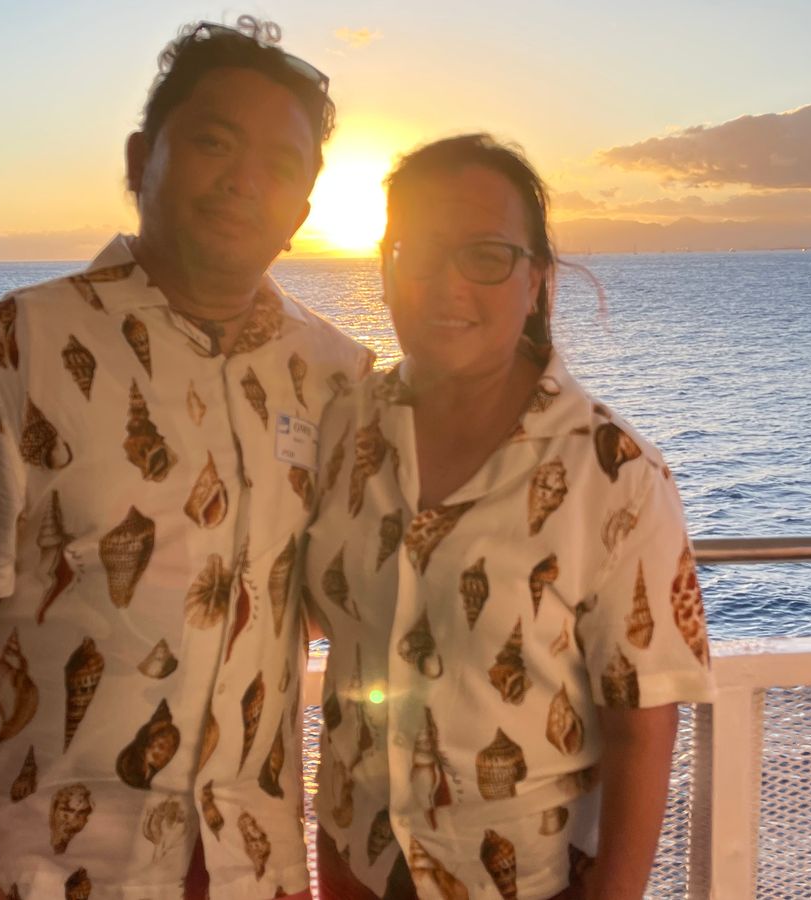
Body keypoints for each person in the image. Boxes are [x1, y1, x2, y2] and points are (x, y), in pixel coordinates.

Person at [0, 17, 372, 899]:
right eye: (214, 142)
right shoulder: (7, 349)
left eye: (280, 165)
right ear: (142, 159)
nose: (243, 180)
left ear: (302, 214)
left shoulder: (339, 378)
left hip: (258, 874)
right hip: (40, 873)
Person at [303, 134, 713, 900]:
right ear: (385, 271)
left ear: (536, 281)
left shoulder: (615, 474)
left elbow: (642, 726)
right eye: (418, 252)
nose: (447, 283)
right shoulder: (343, 431)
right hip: (356, 862)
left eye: (486, 255)